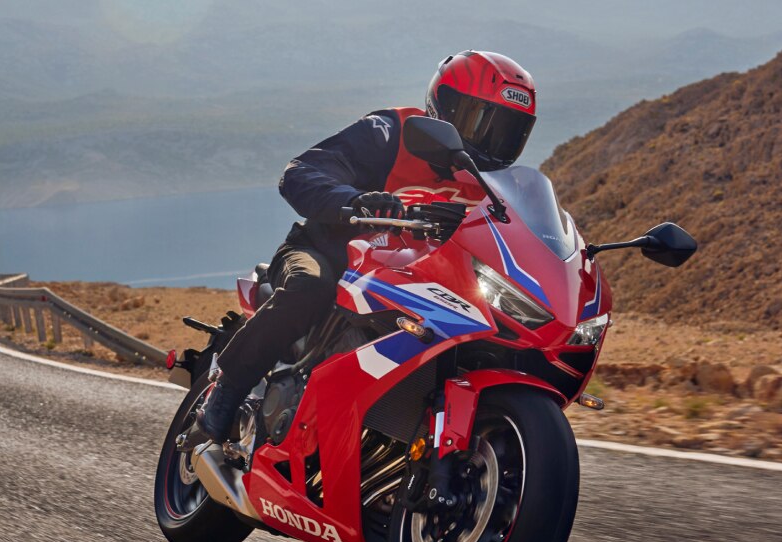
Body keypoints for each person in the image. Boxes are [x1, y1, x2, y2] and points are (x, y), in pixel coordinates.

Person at [195, 50, 538, 445]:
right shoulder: (392, 131)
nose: (492, 143)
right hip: (328, 254)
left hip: (413, 284)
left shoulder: (492, 186)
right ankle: (228, 391)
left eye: (509, 132)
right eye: (481, 122)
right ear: (444, 109)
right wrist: (355, 200)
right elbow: (302, 172)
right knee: (310, 286)